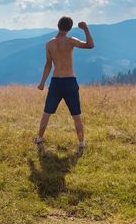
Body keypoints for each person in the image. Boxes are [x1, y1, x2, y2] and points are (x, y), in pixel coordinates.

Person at [35, 16, 94, 155]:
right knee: (76, 115)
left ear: (58, 25)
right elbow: (90, 45)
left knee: (47, 113)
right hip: (70, 81)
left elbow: (48, 65)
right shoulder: (71, 41)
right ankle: (81, 144)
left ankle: (39, 139)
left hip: (56, 82)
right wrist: (85, 28)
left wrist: (42, 83)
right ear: (69, 28)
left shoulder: (49, 44)